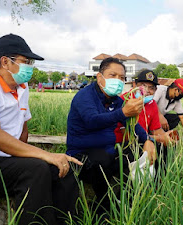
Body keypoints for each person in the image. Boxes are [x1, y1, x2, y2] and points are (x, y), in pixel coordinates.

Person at [0, 34, 82, 225]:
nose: (30, 66)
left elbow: (23, 131)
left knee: (63, 168)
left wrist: (40, 158)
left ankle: (69, 222)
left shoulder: (22, 88)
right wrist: (44, 155)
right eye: (26, 61)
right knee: (36, 168)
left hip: (4, 164)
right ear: (5, 61)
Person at [66, 57, 156, 217]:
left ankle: (129, 201)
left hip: (107, 152)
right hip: (82, 157)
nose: (118, 80)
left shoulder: (116, 100)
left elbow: (133, 124)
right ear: (100, 77)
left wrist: (149, 140)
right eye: (112, 75)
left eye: (122, 78)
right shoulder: (85, 96)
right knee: (102, 159)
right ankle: (103, 210)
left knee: (138, 154)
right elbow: (92, 120)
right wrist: (122, 112)